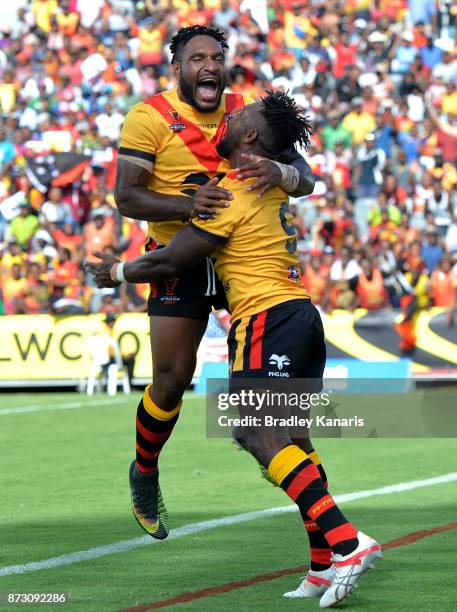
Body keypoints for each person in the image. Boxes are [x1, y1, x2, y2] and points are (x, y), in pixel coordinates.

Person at [88, 91, 381, 609]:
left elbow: (169, 261)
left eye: (238, 116)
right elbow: (302, 176)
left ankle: (347, 542)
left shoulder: (232, 189)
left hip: (266, 318)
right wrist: (287, 173)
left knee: (252, 430)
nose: (229, 116)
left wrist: (113, 272)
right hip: (301, 317)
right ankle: (320, 566)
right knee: (294, 443)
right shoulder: (269, 181)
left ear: (248, 136)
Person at [113, 25, 315, 539]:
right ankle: (145, 469)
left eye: (217, 57)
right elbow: (128, 199)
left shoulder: (247, 113)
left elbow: (307, 178)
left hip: (241, 256)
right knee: (172, 379)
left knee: (273, 410)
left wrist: (282, 173)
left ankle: (314, 515)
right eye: (197, 57)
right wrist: (188, 204)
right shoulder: (147, 118)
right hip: (180, 254)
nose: (209, 65)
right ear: (177, 66)